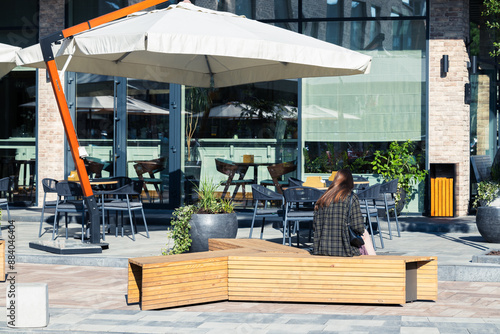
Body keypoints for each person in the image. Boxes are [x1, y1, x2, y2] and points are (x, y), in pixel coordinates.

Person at [313, 169, 366, 257]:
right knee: (366, 235)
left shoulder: (323, 198)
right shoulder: (351, 197)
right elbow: (359, 227)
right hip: (345, 250)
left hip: (321, 249)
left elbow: (315, 226)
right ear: (350, 181)